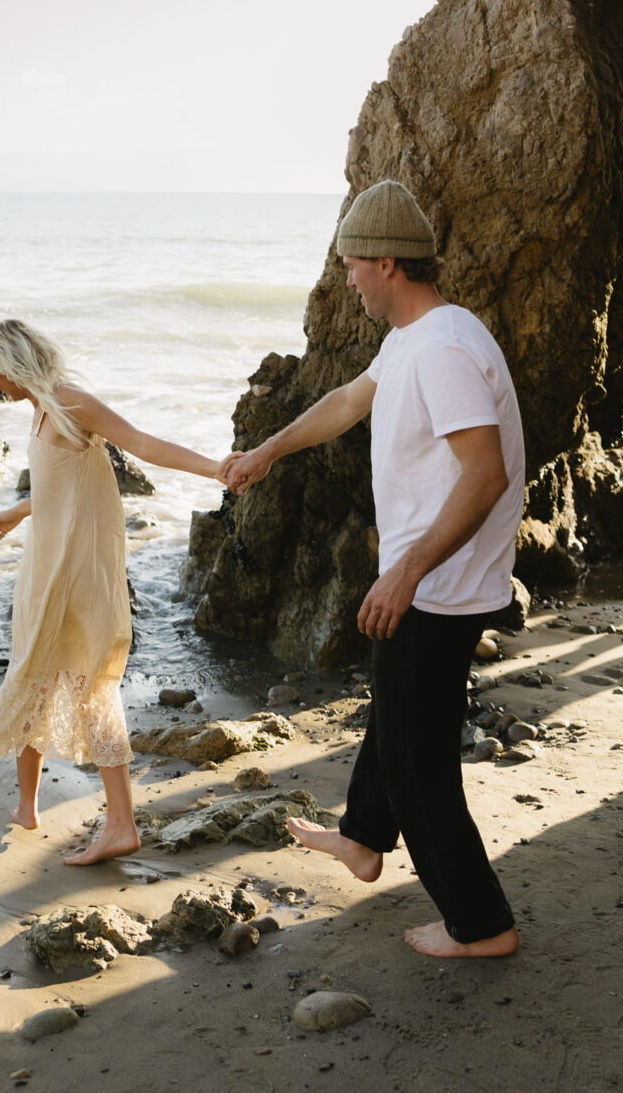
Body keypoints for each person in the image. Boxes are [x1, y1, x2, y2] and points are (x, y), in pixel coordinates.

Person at [222, 179, 523, 958]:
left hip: (442, 586)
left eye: (353, 263)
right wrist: (268, 451)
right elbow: (347, 401)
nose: (346, 277)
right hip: (434, 579)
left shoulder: (446, 352)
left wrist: (408, 573)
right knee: (396, 716)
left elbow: (484, 475)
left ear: (388, 262)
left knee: (419, 763)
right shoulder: (417, 338)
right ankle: (361, 839)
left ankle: (481, 925)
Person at [0, 318, 223, 865]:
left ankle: (122, 825)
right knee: (33, 673)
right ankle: (27, 807)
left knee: (88, 688)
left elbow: (143, 443)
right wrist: (17, 510)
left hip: (77, 575)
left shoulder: (71, 403)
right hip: (46, 569)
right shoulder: (40, 409)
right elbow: (60, 486)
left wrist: (216, 469)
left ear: (11, 364)